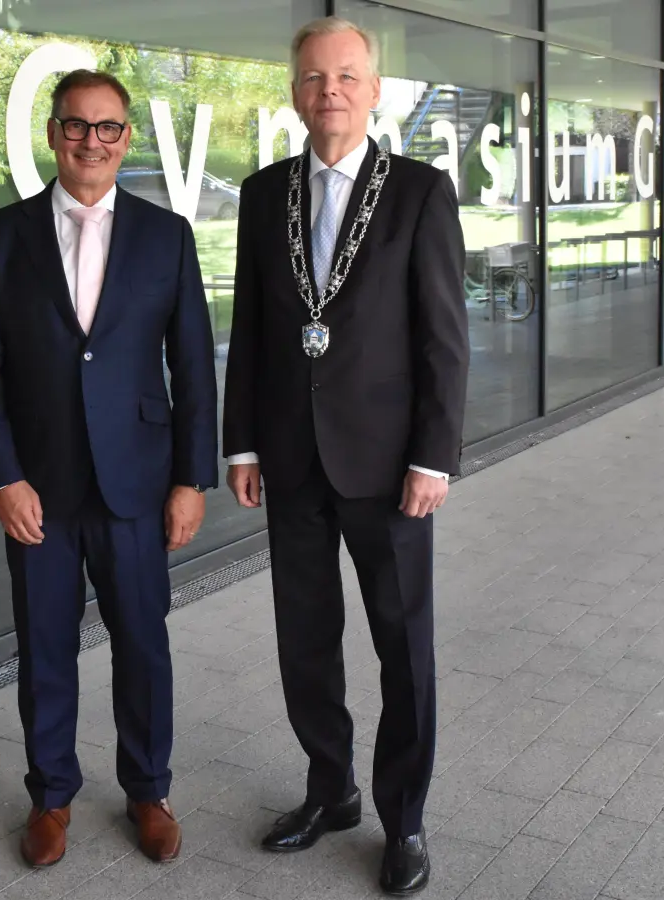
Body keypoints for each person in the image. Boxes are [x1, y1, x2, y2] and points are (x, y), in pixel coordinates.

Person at [222, 17, 469, 896]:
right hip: (289, 458)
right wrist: (241, 440)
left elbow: (445, 339)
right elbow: (250, 329)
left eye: (348, 76)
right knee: (305, 641)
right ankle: (332, 788)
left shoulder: (418, 193)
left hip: (391, 468)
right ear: (294, 90)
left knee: (405, 649)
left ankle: (404, 818)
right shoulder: (263, 195)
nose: (330, 91)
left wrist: (433, 458)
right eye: (314, 77)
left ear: (374, 91)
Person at [0, 70, 218, 867]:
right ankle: (52, 796)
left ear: (126, 139)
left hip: (138, 482)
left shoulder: (167, 235)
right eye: (76, 126)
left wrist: (188, 479)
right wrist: (2, 477)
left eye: (107, 129)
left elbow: (194, 365)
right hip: (37, 486)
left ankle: (148, 789)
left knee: (143, 642)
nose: (91, 142)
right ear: (54, 134)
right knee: (44, 647)